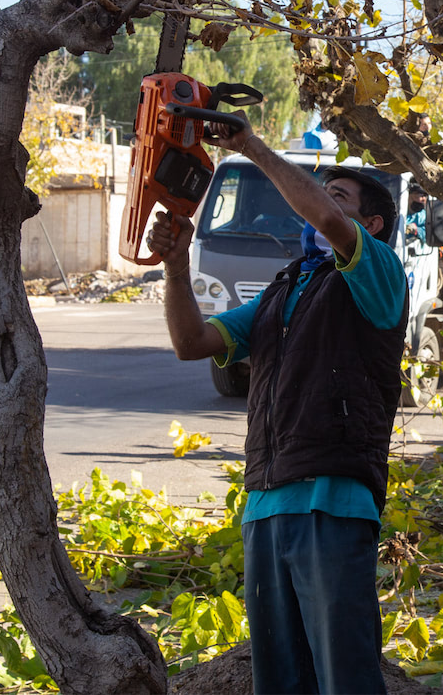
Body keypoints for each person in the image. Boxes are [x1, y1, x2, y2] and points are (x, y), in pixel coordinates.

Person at [148, 120, 405, 695]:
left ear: (371, 225)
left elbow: (328, 222)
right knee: (280, 680)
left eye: (337, 195)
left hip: (333, 502)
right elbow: (191, 342)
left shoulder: (381, 273)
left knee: (346, 679)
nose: (318, 207)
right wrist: (176, 263)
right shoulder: (280, 293)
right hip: (264, 505)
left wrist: (249, 146)